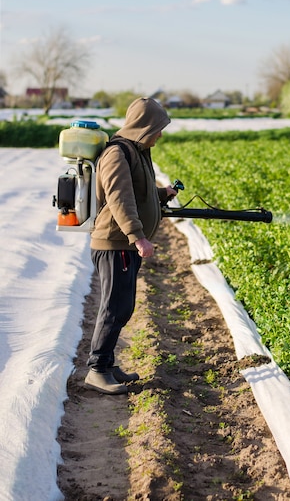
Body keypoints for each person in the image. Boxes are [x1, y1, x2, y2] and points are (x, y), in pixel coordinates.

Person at [84, 97, 177, 395]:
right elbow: (119, 199)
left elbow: (138, 191)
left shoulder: (136, 150)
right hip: (115, 243)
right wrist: (138, 237)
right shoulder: (117, 153)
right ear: (144, 125)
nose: (160, 134)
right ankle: (97, 370)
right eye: (158, 128)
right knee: (114, 307)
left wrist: (161, 194)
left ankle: (108, 365)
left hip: (122, 246)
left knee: (123, 306)